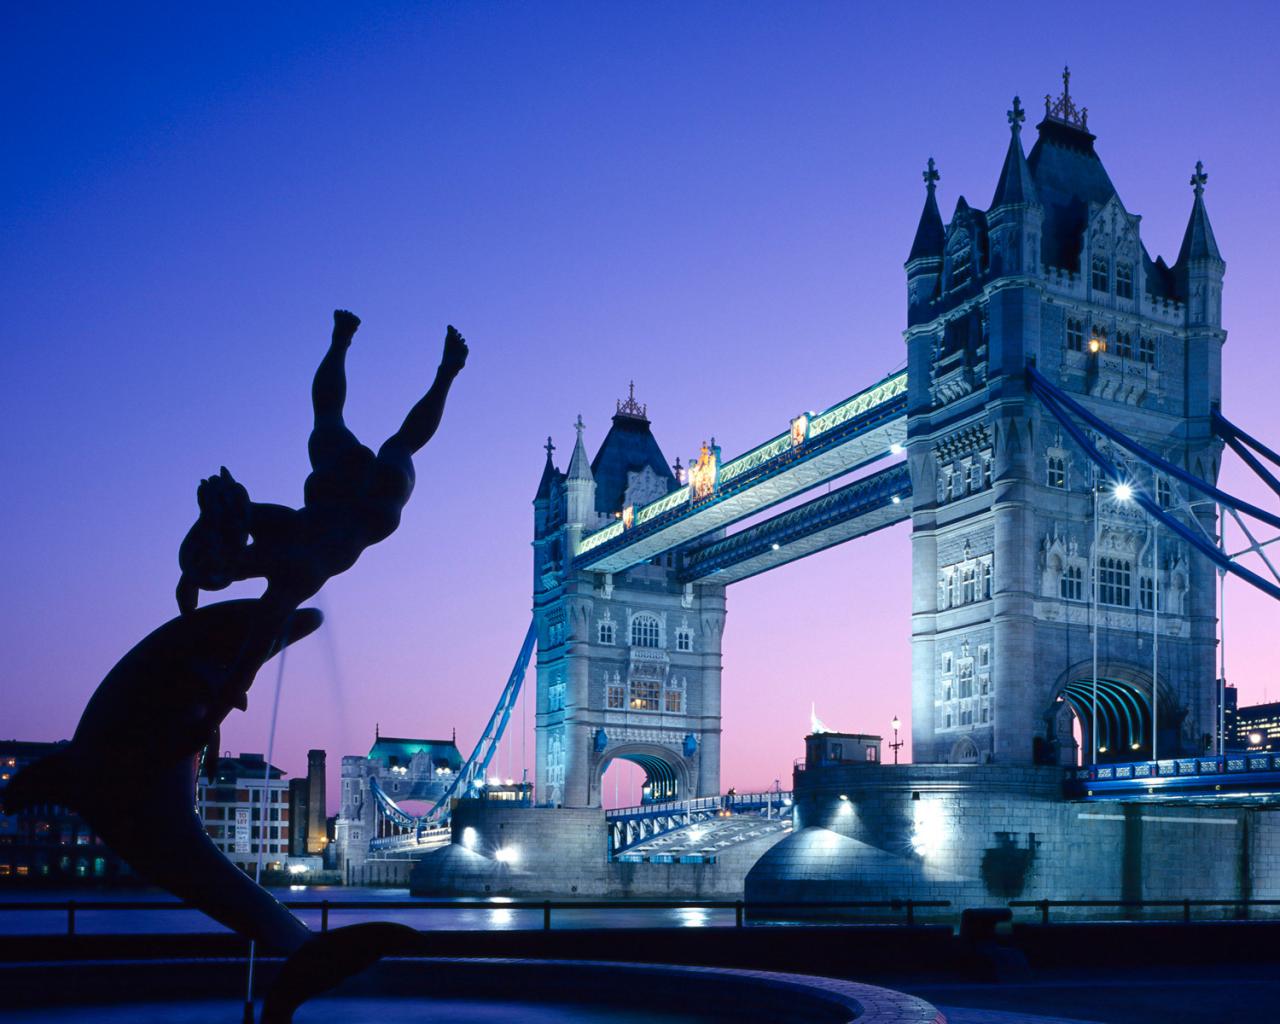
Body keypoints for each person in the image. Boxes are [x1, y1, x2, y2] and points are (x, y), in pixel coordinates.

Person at [177, 310, 468, 616]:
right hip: (365, 503)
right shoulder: (284, 556)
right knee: (367, 432)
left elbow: (253, 620)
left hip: (346, 498)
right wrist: (189, 589)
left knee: (374, 435)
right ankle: (433, 367)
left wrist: (188, 597)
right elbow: (233, 531)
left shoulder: (286, 569)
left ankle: (430, 367)